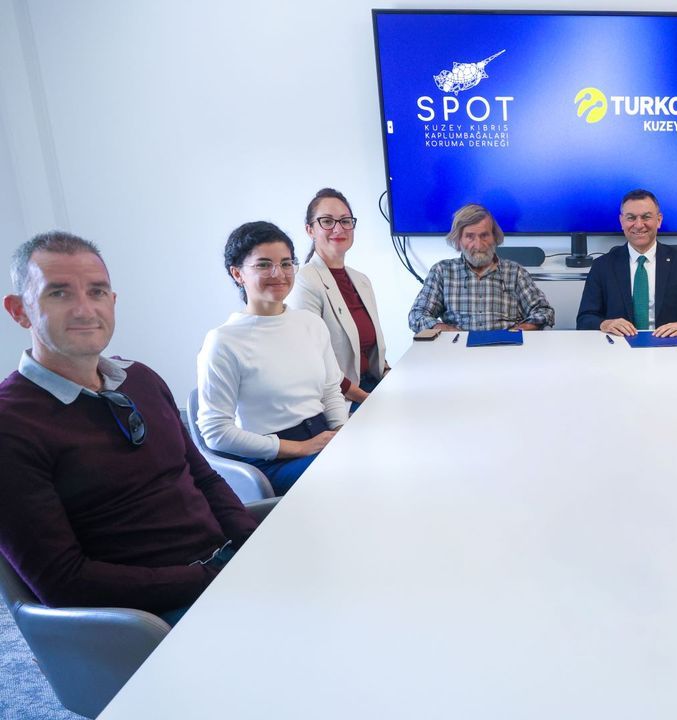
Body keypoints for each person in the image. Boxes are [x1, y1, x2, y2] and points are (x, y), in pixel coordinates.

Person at [0, 231, 258, 623]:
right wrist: (212, 579)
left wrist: (252, 548)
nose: (85, 309)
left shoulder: (141, 379)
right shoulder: (12, 424)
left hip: (220, 573)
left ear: (113, 301)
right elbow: (64, 581)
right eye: (59, 293)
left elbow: (202, 477)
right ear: (19, 310)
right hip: (147, 619)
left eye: (97, 292)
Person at [197, 221, 347, 495]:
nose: (279, 273)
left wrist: (342, 431)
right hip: (272, 458)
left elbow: (330, 391)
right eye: (264, 265)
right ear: (237, 273)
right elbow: (215, 432)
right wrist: (298, 448)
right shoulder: (223, 341)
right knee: (352, 473)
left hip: (321, 436)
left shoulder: (310, 324)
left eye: (286, 264)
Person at [286, 188, 390, 408]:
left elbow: (370, 350)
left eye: (345, 221)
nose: (338, 228)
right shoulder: (304, 282)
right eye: (327, 221)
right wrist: (368, 399)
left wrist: (390, 377)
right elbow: (314, 361)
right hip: (340, 400)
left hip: (371, 386)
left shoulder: (361, 280)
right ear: (310, 230)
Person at [576, 189, 677, 336]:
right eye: (631, 218)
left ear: (659, 220)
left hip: (670, 344)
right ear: (622, 221)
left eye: (646, 217)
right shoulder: (602, 265)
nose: (639, 225)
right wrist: (605, 324)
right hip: (619, 345)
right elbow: (585, 318)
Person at [407, 204, 555, 332]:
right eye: (470, 236)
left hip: (507, 348)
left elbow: (544, 312)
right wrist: (447, 331)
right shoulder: (442, 272)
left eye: (484, 235)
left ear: (495, 237)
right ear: (458, 241)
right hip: (457, 349)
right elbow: (417, 315)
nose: (478, 245)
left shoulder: (515, 272)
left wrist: (517, 331)